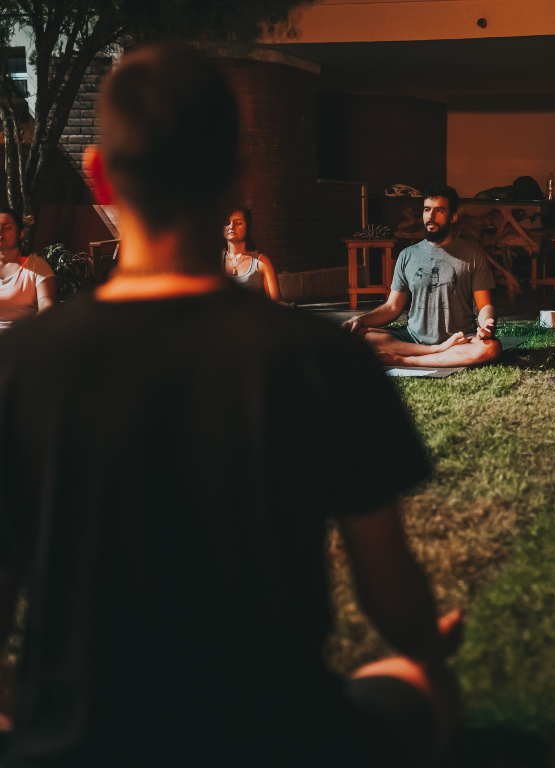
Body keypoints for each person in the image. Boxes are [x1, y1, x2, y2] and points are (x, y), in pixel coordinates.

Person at [0, 44, 461, 767]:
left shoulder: (16, 366)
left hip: (76, 743)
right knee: (411, 682)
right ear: (238, 179)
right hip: (279, 738)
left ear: (99, 174)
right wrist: (428, 647)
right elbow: (389, 590)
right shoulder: (323, 360)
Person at [342, 184, 501, 368]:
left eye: (439, 210)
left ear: (453, 217)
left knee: (491, 348)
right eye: (427, 209)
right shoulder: (408, 255)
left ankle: (405, 360)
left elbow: (485, 306)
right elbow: (392, 307)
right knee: (360, 334)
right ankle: (437, 351)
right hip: (413, 339)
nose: (430, 217)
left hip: (460, 339)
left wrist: (486, 325)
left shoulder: (474, 254)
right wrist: (359, 319)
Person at [0, 207, 56, 331]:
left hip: (20, 339)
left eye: (7, 227)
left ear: (21, 233)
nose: (0, 232)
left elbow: (47, 305)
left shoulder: (36, 265)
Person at [223, 206, 281, 300]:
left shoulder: (261, 262)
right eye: (227, 223)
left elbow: (276, 303)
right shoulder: (214, 261)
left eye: (238, 223)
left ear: (248, 228)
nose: (231, 226)